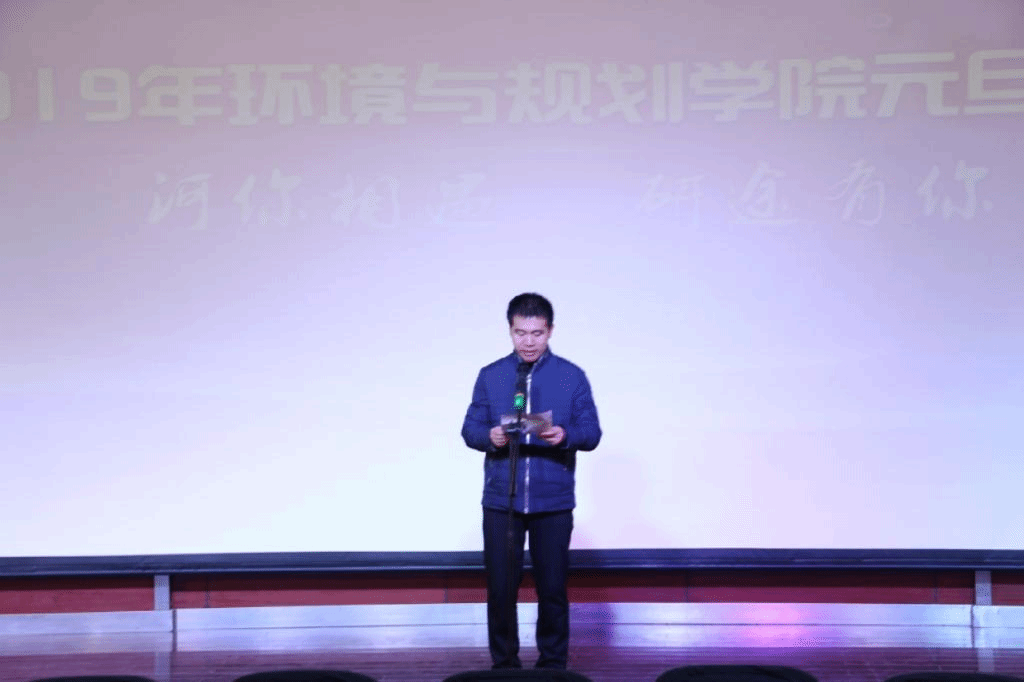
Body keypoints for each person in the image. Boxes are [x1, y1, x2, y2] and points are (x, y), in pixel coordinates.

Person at [461, 292, 602, 670]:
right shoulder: (491, 375)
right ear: (510, 330)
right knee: (501, 590)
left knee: (552, 589)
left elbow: (592, 432)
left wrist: (565, 435)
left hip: (553, 502)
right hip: (501, 501)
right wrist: (489, 436)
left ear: (550, 331)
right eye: (520, 333)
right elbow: (469, 429)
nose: (528, 341)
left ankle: (552, 665)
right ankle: (504, 665)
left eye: (537, 333)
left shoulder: (571, 375)